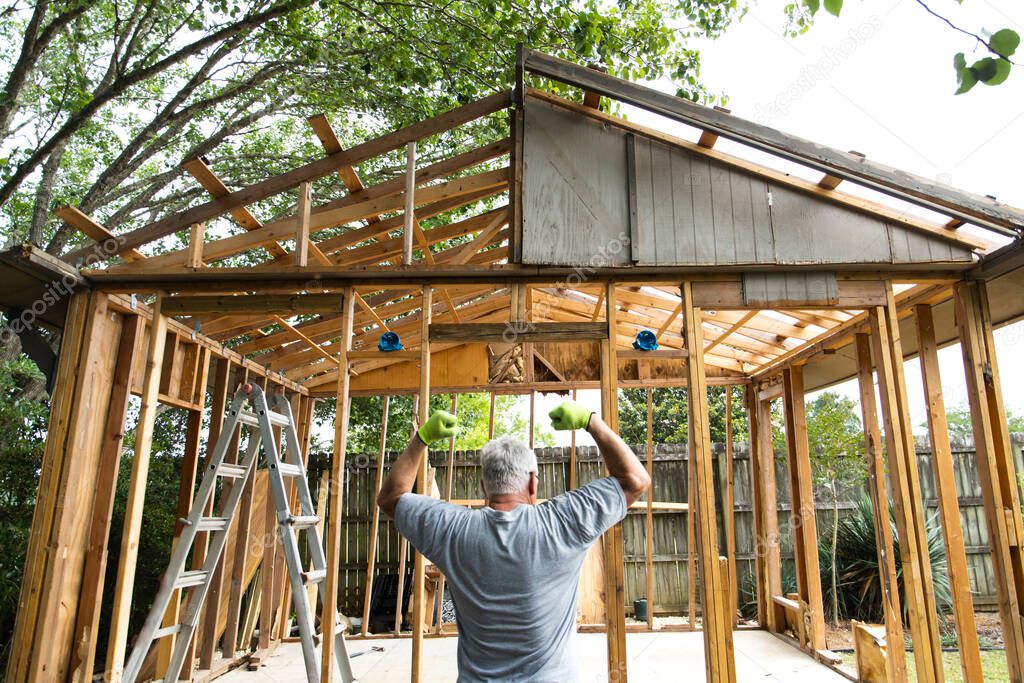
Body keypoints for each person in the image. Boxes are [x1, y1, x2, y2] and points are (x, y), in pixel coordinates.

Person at [377, 399, 651, 682]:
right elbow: (635, 480)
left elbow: (390, 498)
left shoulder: (451, 529)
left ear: (483, 485)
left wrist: (422, 439)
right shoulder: (564, 522)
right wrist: (590, 421)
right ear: (533, 482)